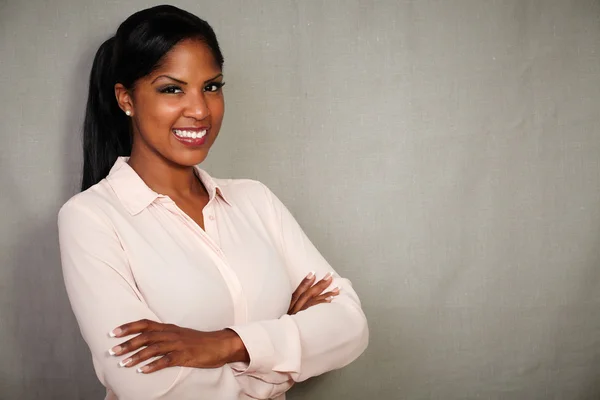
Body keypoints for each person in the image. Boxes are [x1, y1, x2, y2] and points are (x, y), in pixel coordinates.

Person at [57, 5, 368, 400]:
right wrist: (283, 357)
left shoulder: (255, 200)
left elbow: (349, 325)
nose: (201, 110)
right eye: (172, 88)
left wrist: (225, 345)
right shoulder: (91, 218)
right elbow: (145, 384)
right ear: (126, 99)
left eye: (212, 86)